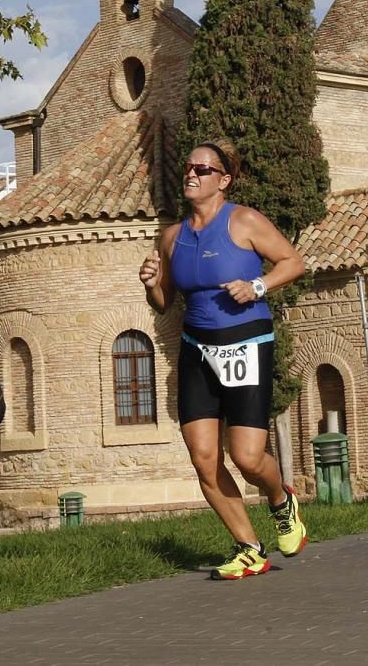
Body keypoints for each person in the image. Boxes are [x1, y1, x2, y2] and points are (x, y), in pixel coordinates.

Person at [139, 139, 308, 580]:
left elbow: (294, 261)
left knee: (249, 458)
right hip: (197, 350)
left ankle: (280, 500)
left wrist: (258, 287)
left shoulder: (244, 220)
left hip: (247, 343)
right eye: (188, 167)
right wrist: (152, 283)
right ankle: (248, 548)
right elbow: (164, 304)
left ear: (223, 180)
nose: (191, 174)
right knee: (204, 459)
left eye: (203, 169)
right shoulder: (172, 236)